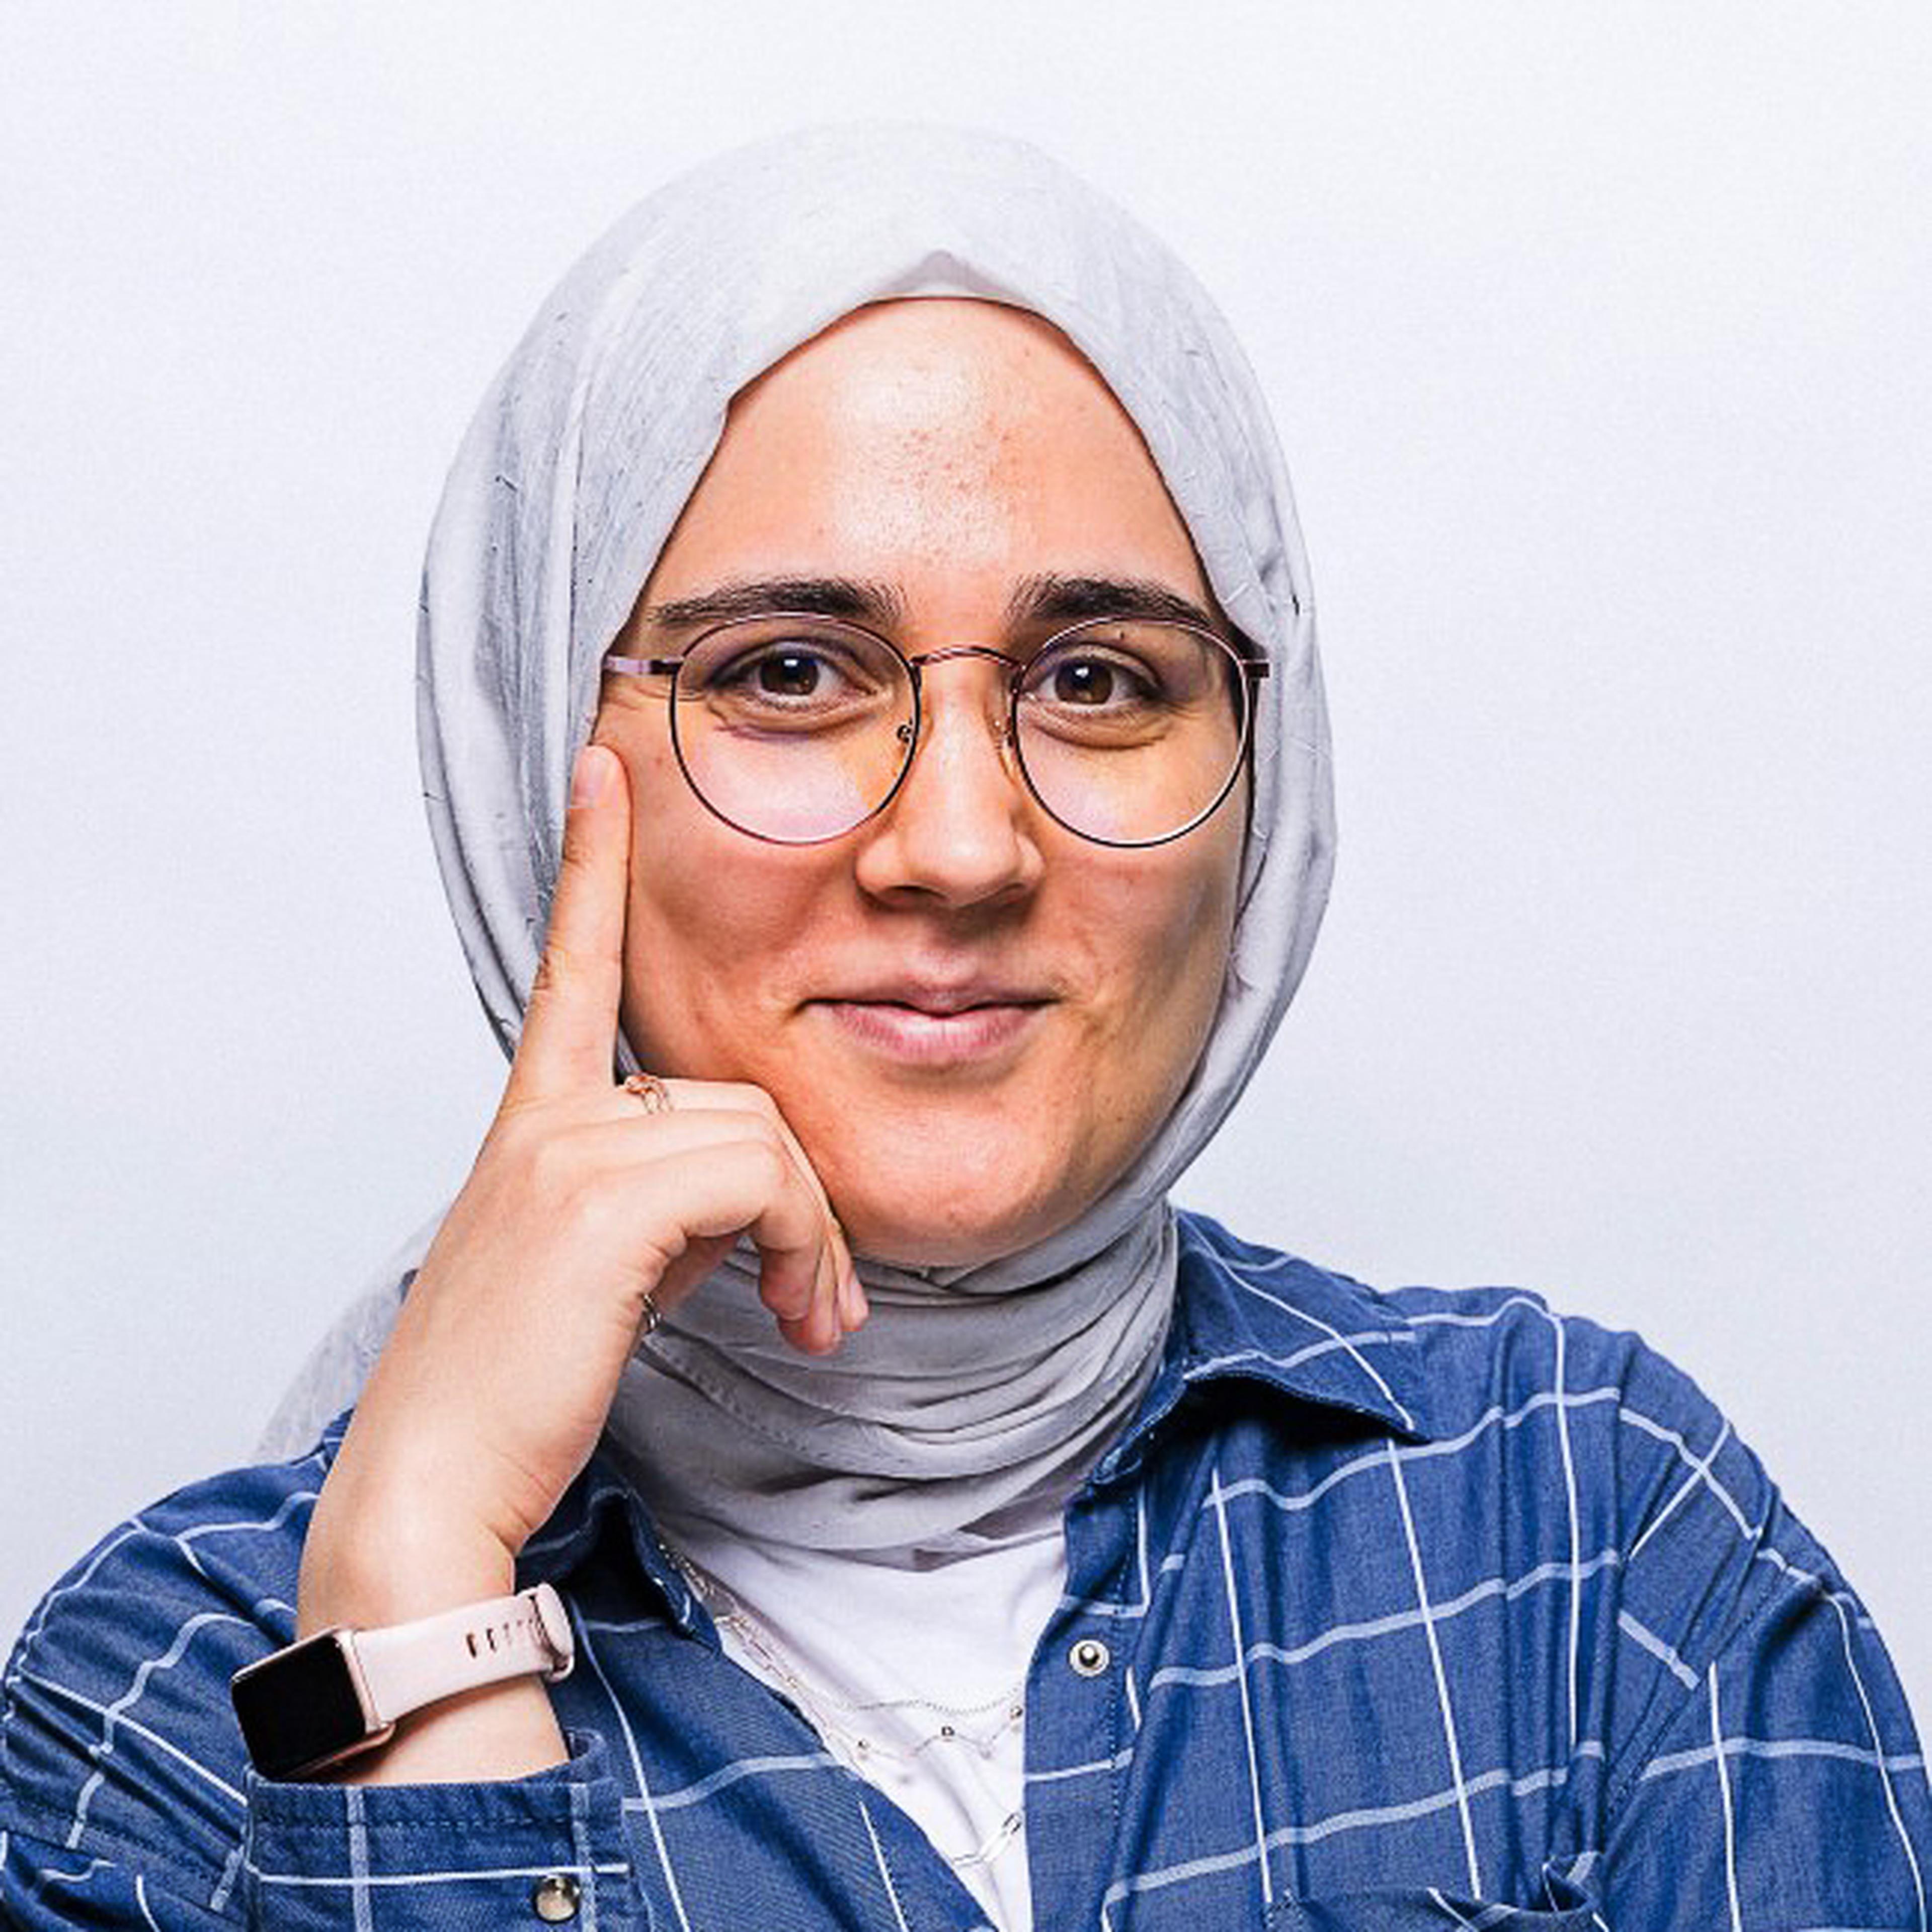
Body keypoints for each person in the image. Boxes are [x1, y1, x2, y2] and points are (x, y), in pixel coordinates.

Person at [3, 124, 1925, 1931]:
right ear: (534, 749)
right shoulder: (165, 1705)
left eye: (1097, 680)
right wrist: (416, 1618)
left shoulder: (1581, 1532)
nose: (960, 845)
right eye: (787, 673)